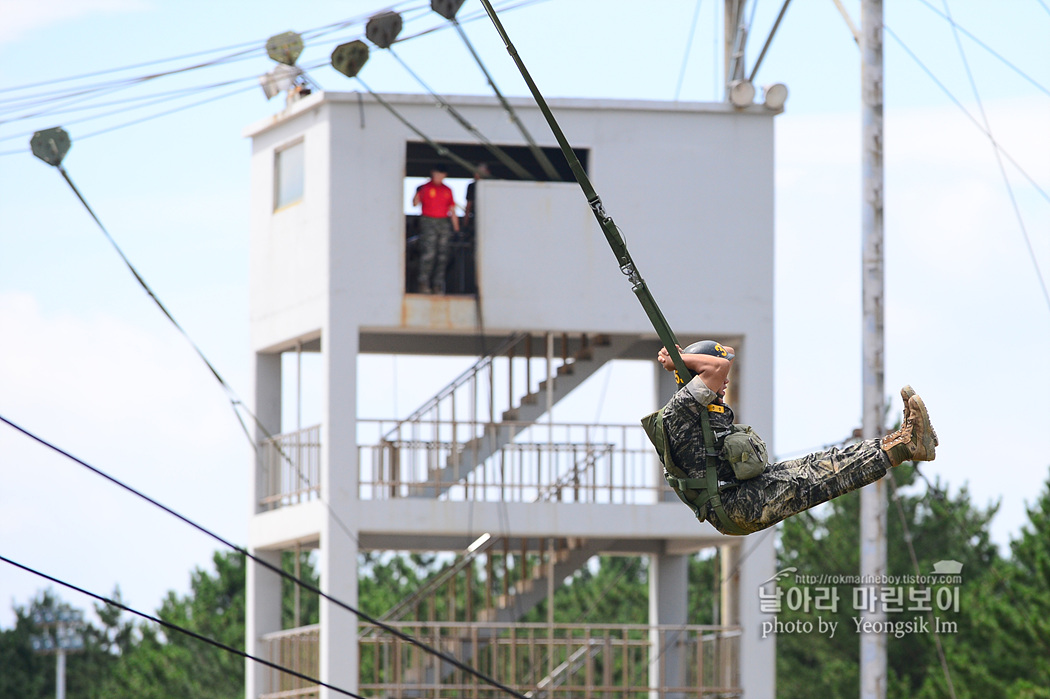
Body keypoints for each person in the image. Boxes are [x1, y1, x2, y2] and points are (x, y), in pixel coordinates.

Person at [642, 341, 938, 535]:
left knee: (822, 463)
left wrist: (687, 358)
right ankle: (906, 447)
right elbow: (719, 366)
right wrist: (683, 359)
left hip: (741, 492)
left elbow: (724, 356)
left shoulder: (698, 408)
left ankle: (905, 440)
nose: (725, 381)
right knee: (821, 477)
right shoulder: (680, 410)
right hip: (735, 505)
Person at [412, 166, 459, 294]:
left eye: (441, 174)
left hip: (443, 223)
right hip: (428, 222)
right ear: (433, 174)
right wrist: (418, 192)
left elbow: (452, 210)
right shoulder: (425, 187)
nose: (438, 177)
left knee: (443, 256)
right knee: (428, 254)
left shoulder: (447, 190)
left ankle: (438, 285)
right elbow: (415, 204)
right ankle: (423, 284)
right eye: (436, 174)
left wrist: (456, 229)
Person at [462, 162, 490, 239]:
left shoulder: (492, 186)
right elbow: (468, 205)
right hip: (475, 218)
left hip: (489, 218)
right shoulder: (472, 186)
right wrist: (465, 222)